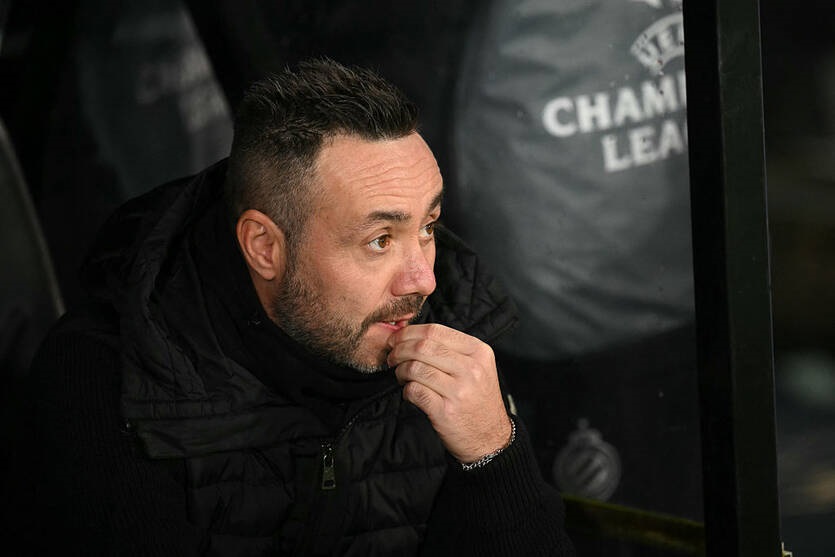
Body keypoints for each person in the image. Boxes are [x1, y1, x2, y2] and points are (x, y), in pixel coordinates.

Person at [5, 58, 575, 556]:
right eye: (380, 240)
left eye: (427, 226)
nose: (423, 278)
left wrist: (492, 454)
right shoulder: (108, 380)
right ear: (265, 248)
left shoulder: (451, 332)